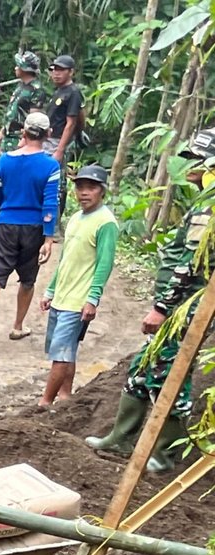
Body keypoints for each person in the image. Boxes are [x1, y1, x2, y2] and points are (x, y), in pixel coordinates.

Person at [86, 128, 215, 470]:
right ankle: (121, 440)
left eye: (198, 162)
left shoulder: (211, 207)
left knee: (171, 373)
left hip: (187, 308)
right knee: (143, 368)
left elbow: (192, 263)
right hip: (180, 306)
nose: (190, 167)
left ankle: (165, 454)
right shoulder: (202, 202)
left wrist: (162, 307)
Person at [0, 111, 60, 350]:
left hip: (6, 222)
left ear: (23, 132)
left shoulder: (5, 161)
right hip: (33, 227)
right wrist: (48, 237)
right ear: (48, 134)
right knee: (27, 279)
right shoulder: (50, 166)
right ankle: (17, 326)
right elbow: (50, 203)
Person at [40, 165, 119, 410]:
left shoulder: (106, 222)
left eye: (91, 187)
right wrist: (51, 290)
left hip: (77, 300)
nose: (84, 192)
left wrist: (92, 298)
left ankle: (44, 403)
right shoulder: (75, 218)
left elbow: (104, 264)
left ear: (102, 191)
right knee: (67, 349)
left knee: (60, 356)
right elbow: (66, 259)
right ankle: (65, 397)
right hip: (63, 296)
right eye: (80, 187)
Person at [0, 51, 48, 154]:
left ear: (24, 69)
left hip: (20, 138)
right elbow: (12, 111)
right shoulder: (20, 85)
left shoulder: (36, 90)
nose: (15, 68)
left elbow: (33, 118)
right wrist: (2, 131)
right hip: (8, 136)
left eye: (18, 66)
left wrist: (25, 140)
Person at [45, 55, 85, 173]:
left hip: (58, 141)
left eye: (61, 70)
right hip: (49, 139)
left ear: (71, 72)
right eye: (54, 70)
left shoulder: (73, 92)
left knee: (56, 176)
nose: (56, 73)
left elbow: (71, 123)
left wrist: (60, 150)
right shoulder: (59, 91)